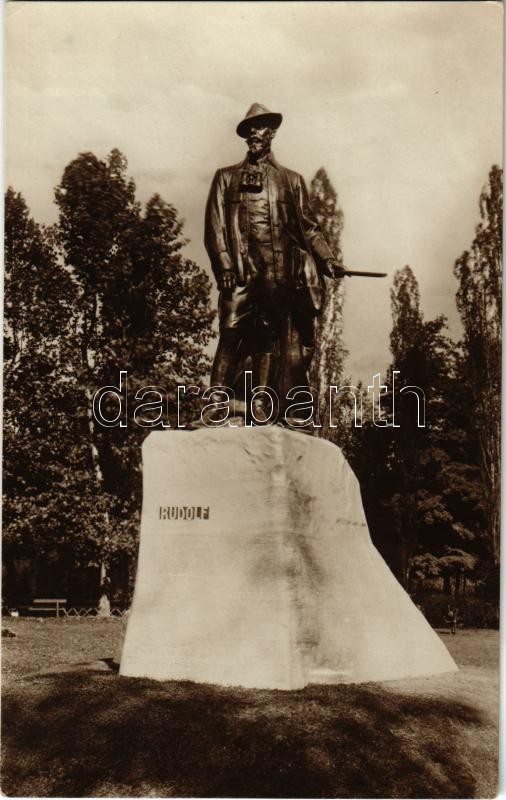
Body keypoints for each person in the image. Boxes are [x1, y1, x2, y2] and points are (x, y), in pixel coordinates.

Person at [204, 103, 344, 424]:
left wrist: (327, 259)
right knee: (230, 331)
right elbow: (215, 226)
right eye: (249, 129)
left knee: (268, 337)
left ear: (272, 133)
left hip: (277, 276)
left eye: (260, 127)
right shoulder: (226, 177)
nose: (254, 133)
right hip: (240, 275)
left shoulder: (291, 181)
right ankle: (217, 400)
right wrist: (224, 266)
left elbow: (309, 228)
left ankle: (261, 402)